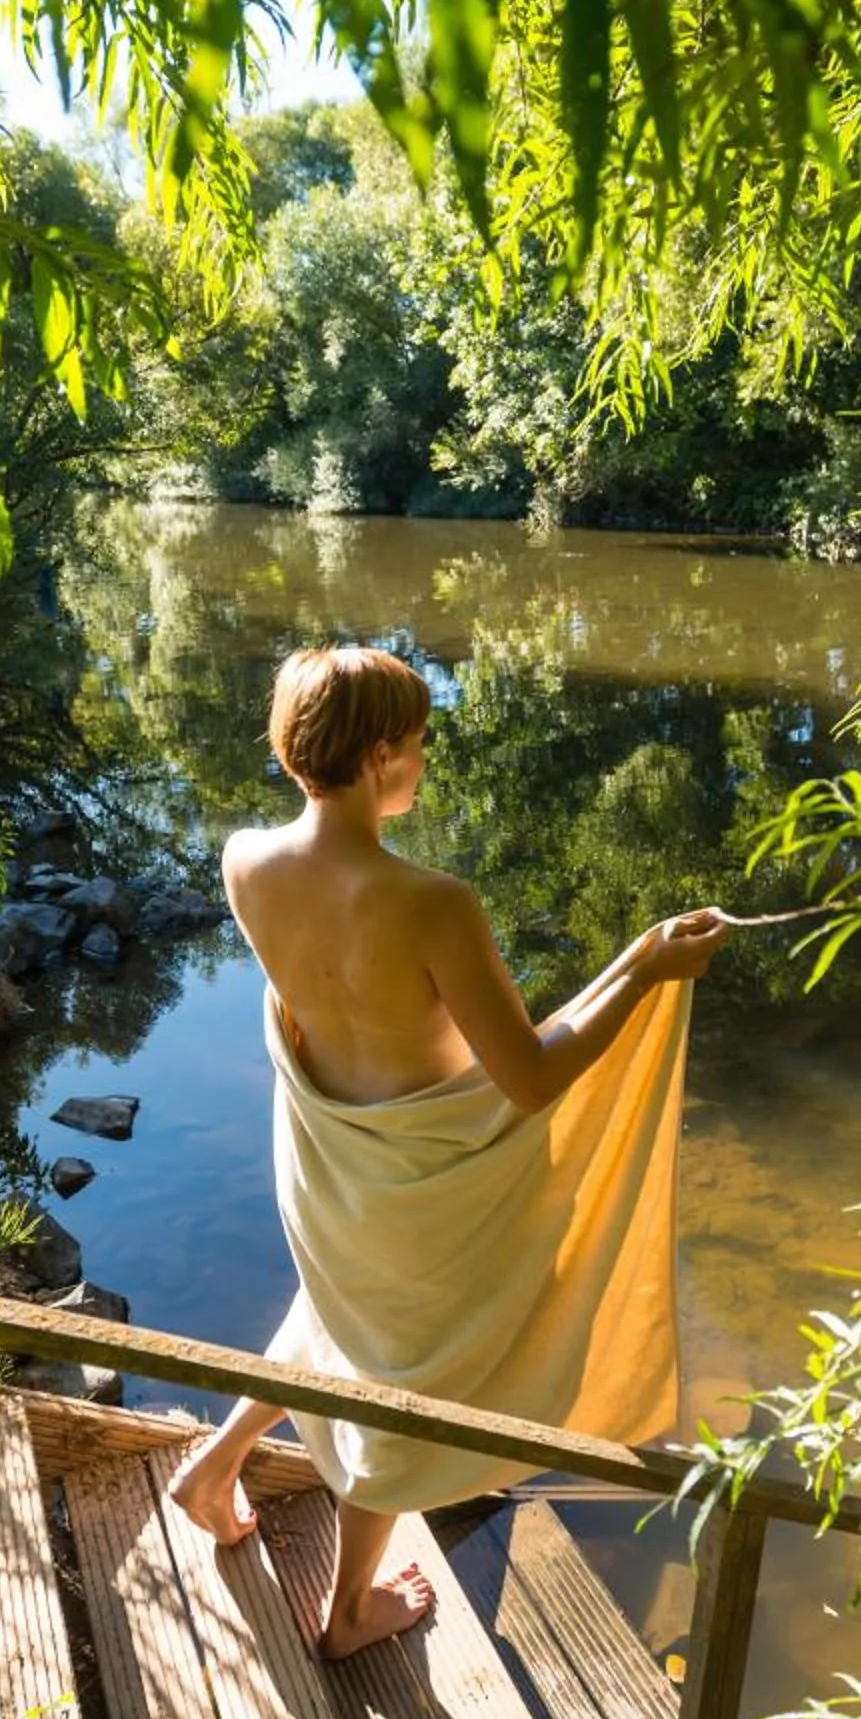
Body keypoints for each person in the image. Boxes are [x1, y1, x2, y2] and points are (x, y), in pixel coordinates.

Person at [168, 642, 732, 1660]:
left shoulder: (245, 857)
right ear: (382, 752)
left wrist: (638, 956)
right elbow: (530, 1077)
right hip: (426, 1180)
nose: (425, 760)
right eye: (420, 742)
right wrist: (644, 974)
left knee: (339, 1314)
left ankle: (213, 1471)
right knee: (400, 1377)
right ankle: (347, 1612)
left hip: (330, 1155)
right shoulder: (431, 904)